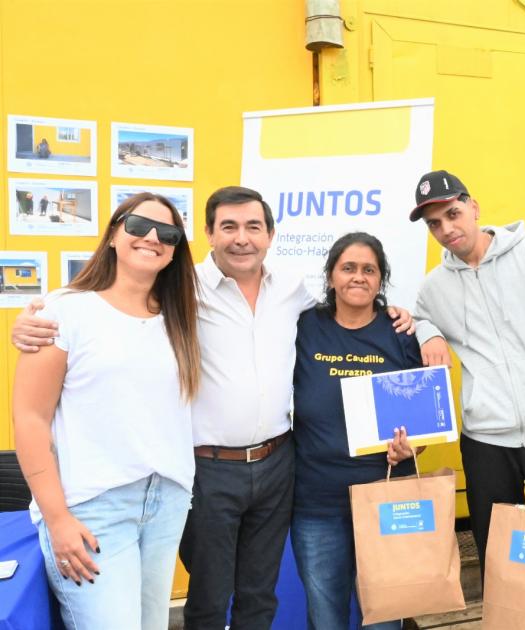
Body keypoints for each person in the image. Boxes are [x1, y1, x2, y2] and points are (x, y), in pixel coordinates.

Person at [11, 186, 414, 630]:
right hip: (206, 469)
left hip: (278, 461)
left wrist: (423, 327)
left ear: (270, 234)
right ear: (208, 234)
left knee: (260, 596)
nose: (241, 238)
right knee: (207, 598)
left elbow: (355, 305)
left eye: (253, 227)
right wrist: (32, 320)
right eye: (229, 227)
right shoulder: (181, 289)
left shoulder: (292, 290)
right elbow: (111, 306)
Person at [12, 192, 200, 630]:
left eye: (167, 233)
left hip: (165, 501)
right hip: (92, 508)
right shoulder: (64, 311)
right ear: (115, 233)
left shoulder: (182, 316)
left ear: (175, 251)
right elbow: (30, 418)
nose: (152, 237)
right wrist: (56, 518)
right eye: (138, 226)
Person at [410, 169, 525, 576]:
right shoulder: (434, 287)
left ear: (473, 208)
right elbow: (416, 316)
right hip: (486, 441)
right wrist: (428, 333)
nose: (446, 229)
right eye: (434, 224)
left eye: (453, 214)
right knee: (501, 563)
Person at [292, 232, 419, 630]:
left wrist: (410, 448)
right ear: (331, 276)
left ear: (381, 280)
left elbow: (420, 419)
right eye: (348, 268)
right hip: (317, 501)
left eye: (369, 270)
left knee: (384, 617)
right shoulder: (303, 327)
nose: (358, 277)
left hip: (385, 496)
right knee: (325, 616)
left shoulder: (401, 334)